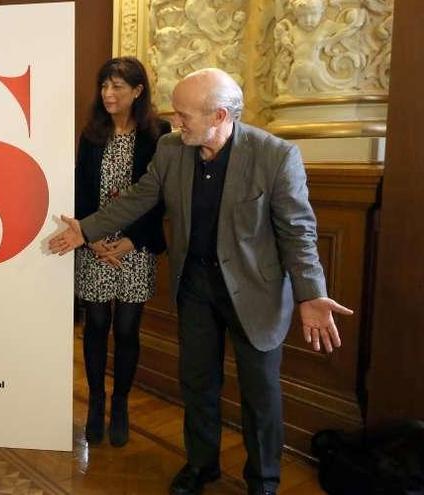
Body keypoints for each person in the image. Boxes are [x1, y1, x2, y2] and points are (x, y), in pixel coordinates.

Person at [50, 68, 352, 495]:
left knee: (259, 395)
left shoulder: (276, 156)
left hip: (256, 293)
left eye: (186, 114)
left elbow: (298, 233)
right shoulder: (173, 149)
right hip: (195, 288)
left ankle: (263, 481)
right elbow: (140, 198)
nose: (176, 122)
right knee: (197, 382)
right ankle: (202, 464)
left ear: (220, 116)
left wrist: (312, 294)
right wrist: (86, 229)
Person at [75, 57, 171, 447]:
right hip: (95, 245)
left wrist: (132, 239)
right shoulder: (92, 133)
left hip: (137, 243)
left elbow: (161, 195)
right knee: (96, 325)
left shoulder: (159, 134)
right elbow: (81, 189)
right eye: (104, 86)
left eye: (117, 86)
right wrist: (90, 237)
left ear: (138, 91)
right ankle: (96, 404)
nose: (108, 94)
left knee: (128, 328)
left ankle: (121, 403)